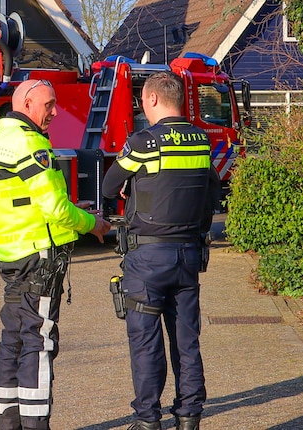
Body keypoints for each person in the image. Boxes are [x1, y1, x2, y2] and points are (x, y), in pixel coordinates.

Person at [0, 78, 111, 430]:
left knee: (13, 340)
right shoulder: (30, 143)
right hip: (40, 260)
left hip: (12, 257)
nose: (54, 112)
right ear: (27, 104)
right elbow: (54, 209)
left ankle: (9, 423)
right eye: (49, 104)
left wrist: (70, 208)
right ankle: (35, 424)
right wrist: (92, 224)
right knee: (39, 341)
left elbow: (22, 202)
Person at [101, 71, 219, 430]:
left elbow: (108, 186)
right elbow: (209, 190)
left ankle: (147, 419)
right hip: (188, 255)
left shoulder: (143, 142)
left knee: (146, 341)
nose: (142, 106)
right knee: (186, 340)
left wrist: (133, 185)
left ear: (153, 99)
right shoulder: (200, 141)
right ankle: (189, 415)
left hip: (148, 258)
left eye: (142, 101)